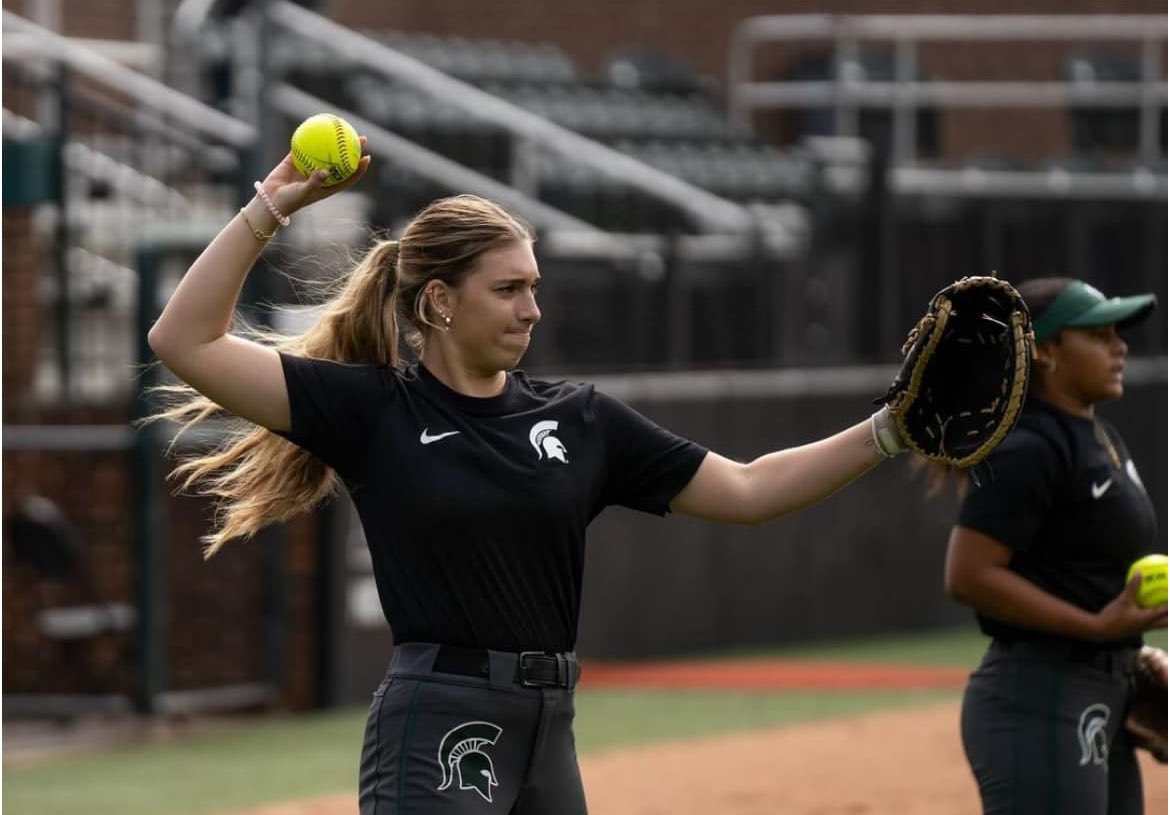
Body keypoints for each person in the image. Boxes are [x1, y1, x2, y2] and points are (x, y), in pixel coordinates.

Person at [148, 144, 912, 815]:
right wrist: (267, 210)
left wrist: (890, 429)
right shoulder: (374, 409)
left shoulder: (581, 419)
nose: (532, 308)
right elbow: (184, 339)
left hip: (550, 723)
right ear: (440, 301)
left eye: (534, 286)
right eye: (508, 289)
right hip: (440, 717)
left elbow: (749, 491)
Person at [942, 277, 1166, 815]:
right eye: (1099, 335)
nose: (1120, 347)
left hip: (1100, 691)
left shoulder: (1100, 438)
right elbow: (968, 575)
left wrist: (1127, 655)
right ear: (1045, 352)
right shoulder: (1029, 447)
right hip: (1040, 699)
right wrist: (1095, 629)